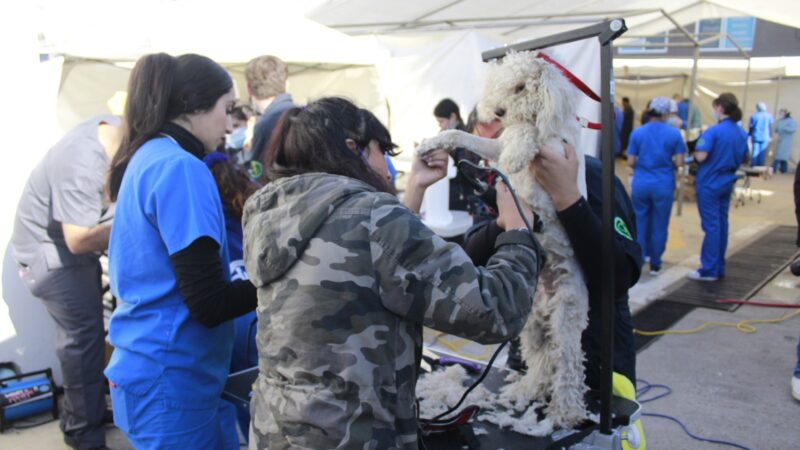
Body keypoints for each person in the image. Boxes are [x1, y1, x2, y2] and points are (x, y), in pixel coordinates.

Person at [244, 97, 544, 449]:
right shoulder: (372, 216)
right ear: (353, 149)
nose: (388, 165)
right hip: (352, 437)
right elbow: (495, 311)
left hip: (277, 430)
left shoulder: (274, 211)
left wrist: (415, 187)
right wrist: (517, 230)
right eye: (380, 149)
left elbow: (372, 264)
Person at [104, 53, 258, 449]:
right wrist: (285, 279)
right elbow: (208, 302)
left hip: (150, 366)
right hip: (171, 377)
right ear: (193, 104)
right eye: (226, 109)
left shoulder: (148, 156)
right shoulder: (181, 168)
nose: (229, 123)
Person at [460, 142, 643, 392]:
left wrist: (568, 198)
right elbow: (471, 258)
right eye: (488, 132)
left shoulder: (590, 175)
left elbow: (620, 276)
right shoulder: (503, 184)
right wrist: (505, 221)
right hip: (528, 349)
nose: (502, 140)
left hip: (596, 355)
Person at [12, 115, 121, 450]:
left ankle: (86, 412)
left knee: (88, 339)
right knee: (83, 341)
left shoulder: (111, 133)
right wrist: (135, 220)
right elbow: (78, 239)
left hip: (66, 252)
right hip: (51, 258)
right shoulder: (82, 157)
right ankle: (82, 434)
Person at [203, 151, 261, 444]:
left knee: (229, 399)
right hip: (256, 321)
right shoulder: (250, 215)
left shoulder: (205, 221)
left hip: (225, 325)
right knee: (258, 403)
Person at [688, 93, 748, 282]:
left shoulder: (713, 132)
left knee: (711, 226)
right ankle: (718, 266)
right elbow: (746, 157)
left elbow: (701, 157)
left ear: (720, 108)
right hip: (727, 181)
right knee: (722, 224)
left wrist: (695, 148)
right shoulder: (740, 132)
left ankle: (709, 269)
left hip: (710, 182)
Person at [627, 96, 686, 275]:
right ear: (666, 113)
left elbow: (630, 161)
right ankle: (656, 262)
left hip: (641, 183)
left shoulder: (637, 133)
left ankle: (640, 256)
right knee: (660, 223)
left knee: (640, 221)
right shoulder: (674, 134)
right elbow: (679, 162)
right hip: (663, 183)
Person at [245, 55, 296, 179]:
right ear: (286, 85)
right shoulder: (307, 113)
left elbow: (257, 174)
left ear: (249, 89)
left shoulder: (264, 126)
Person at [434, 98, 482, 213]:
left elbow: (468, 169)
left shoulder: (463, 137)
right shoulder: (447, 135)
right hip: (454, 192)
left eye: (441, 121)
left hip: (462, 195)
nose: (440, 126)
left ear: (453, 117)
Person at [749, 101, 774, 167]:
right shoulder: (769, 116)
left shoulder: (754, 115)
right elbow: (770, 127)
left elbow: (751, 127)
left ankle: (753, 165)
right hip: (765, 136)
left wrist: (750, 135)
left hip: (756, 135)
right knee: (762, 151)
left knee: (755, 151)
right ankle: (760, 166)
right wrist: (770, 136)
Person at [773, 109, 797, 174]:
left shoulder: (791, 121)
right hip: (780, 139)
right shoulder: (780, 120)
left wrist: (784, 128)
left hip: (786, 141)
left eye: (782, 113)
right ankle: (783, 169)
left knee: (780, 156)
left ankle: (774, 168)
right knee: (782, 156)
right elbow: (777, 128)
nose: (781, 115)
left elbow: (793, 129)